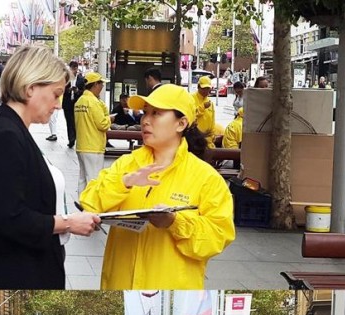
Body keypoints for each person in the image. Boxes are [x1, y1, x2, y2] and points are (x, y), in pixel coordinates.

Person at [0, 46, 100, 289]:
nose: (58, 105)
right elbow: (12, 218)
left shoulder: (13, 129)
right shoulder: (6, 135)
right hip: (15, 272)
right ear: (30, 88)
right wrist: (69, 222)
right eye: (56, 94)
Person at [79, 84, 235, 289]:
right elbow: (88, 204)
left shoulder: (206, 178)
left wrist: (174, 222)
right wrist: (123, 183)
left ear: (181, 123)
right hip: (120, 284)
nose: (145, 120)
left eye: (156, 113)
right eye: (145, 113)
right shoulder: (127, 164)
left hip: (172, 289)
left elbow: (217, 237)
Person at [75, 72, 114, 192]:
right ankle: (91, 205)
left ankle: (81, 202)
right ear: (95, 84)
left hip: (81, 145)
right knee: (94, 178)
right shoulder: (93, 102)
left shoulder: (80, 101)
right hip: (93, 146)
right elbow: (102, 124)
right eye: (101, 83)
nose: (102, 87)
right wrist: (110, 118)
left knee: (82, 178)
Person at [189, 76, 218, 148]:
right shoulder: (191, 98)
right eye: (204, 88)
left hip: (208, 139)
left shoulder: (209, 101)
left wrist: (213, 134)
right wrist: (203, 107)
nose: (206, 91)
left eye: (208, 88)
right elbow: (190, 115)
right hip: (195, 140)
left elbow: (212, 119)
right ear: (198, 87)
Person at [62, 61, 85, 148]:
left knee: (76, 122)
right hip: (67, 103)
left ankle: (76, 137)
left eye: (75, 68)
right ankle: (71, 139)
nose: (74, 70)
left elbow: (84, 91)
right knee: (69, 121)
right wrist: (68, 90)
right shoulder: (66, 78)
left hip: (77, 103)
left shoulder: (81, 79)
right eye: (72, 68)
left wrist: (77, 91)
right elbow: (61, 88)